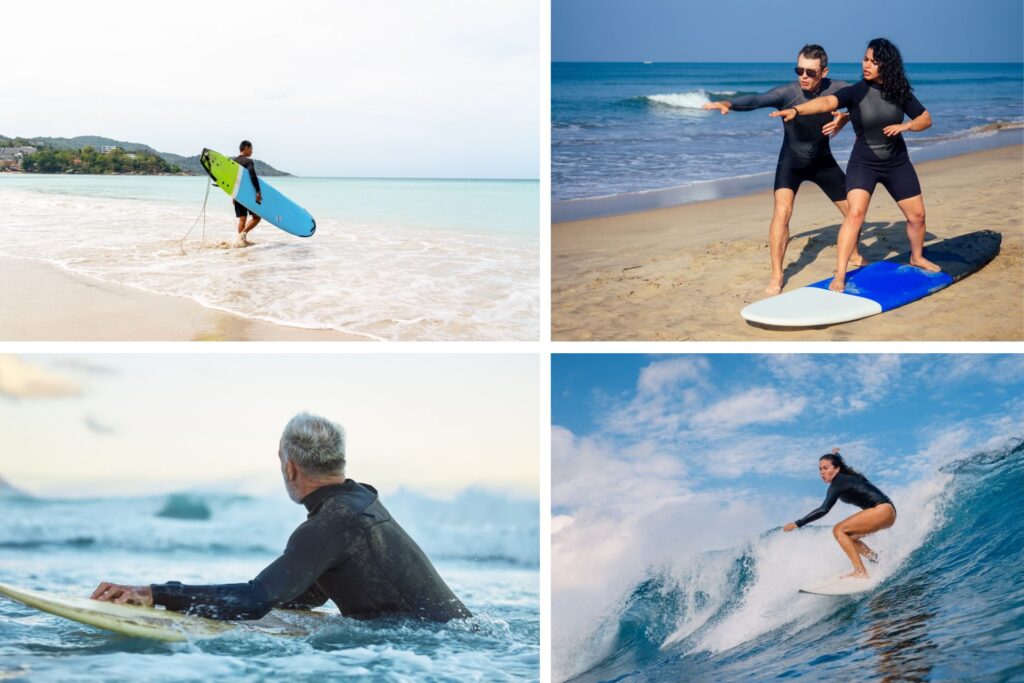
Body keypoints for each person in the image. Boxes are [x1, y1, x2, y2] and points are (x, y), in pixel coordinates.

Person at [91, 413, 472, 622]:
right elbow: (308, 591)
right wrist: (256, 598)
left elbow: (255, 600)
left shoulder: (329, 524)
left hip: (433, 648)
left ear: (290, 467)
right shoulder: (361, 502)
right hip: (458, 639)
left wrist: (158, 594)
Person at [770, 38, 940, 293]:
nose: (867, 65)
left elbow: (925, 119)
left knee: (917, 216)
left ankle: (916, 256)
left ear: (886, 64)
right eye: (865, 59)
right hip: (864, 163)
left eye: (873, 61)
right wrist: (798, 110)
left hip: (897, 162)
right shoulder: (856, 91)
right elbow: (827, 103)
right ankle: (840, 273)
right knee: (855, 214)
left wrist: (907, 126)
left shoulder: (900, 92)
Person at [703, 44, 862, 295]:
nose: (804, 77)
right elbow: (757, 99)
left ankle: (853, 252)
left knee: (854, 210)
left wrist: (846, 117)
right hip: (791, 162)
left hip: (822, 161)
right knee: (782, 212)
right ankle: (777, 274)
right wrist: (729, 103)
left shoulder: (838, 89)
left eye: (810, 72)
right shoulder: (788, 92)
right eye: (800, 70)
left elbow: (863, 101)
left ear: (824, 72)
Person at [783, 449, 896, 579]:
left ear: (837, 468)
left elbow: (824, 509)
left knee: (838, 530)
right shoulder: (842, 479)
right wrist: (836, 454)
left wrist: (798, 523)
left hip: (881, 510)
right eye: (820, 469)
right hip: (888, 513)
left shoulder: (838, 483)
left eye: (826, 468)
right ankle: (876, 560)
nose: (822, 472)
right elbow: (841, 464)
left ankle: (860, 572)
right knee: (850, 537)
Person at [233, 140, 262, 246]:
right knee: (257, 217)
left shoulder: (233, 162)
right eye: (251, 148)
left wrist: (233, 196)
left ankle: (241, 241)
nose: (252, 151)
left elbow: (232, 181)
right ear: (245, 148)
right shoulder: (248, 161)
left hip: (237, 194)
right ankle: (243, 235)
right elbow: (252, 176)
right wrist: (258, 191)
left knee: (242, 220)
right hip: (248, 194)